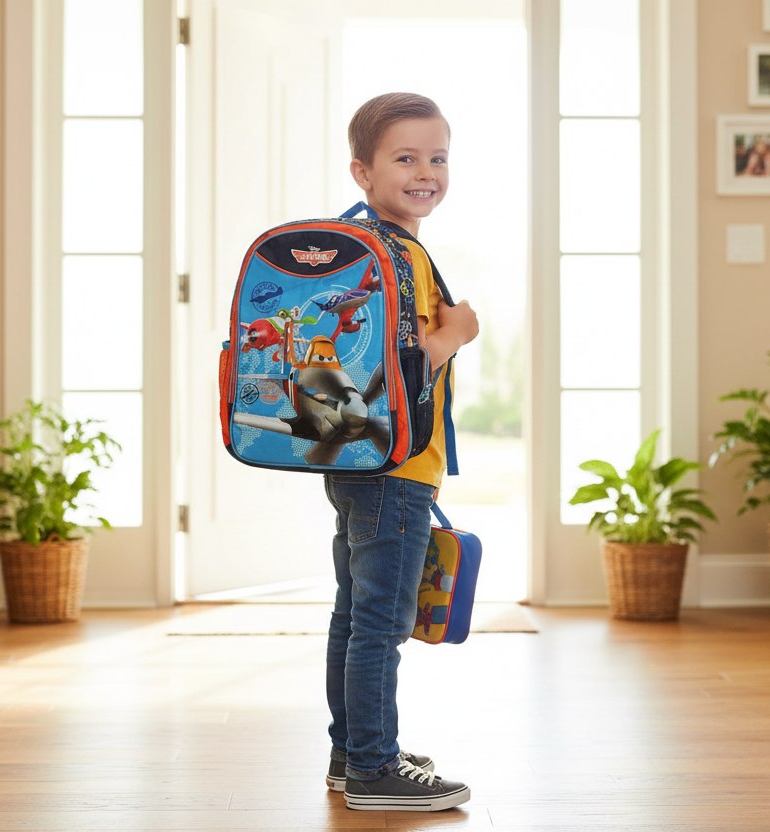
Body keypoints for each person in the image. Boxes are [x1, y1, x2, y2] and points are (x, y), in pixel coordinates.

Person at [324, 92, 478, 813]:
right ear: (363, 171)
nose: (425, 173)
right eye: (405, 158)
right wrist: (457, 333)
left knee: (355, 614)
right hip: (397, 464)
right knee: (381, 624)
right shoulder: (400, 255)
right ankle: (374, 769)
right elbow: (404, 369)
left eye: (437, 158)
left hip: (351, 454)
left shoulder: (357, 243)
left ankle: (351, 753)